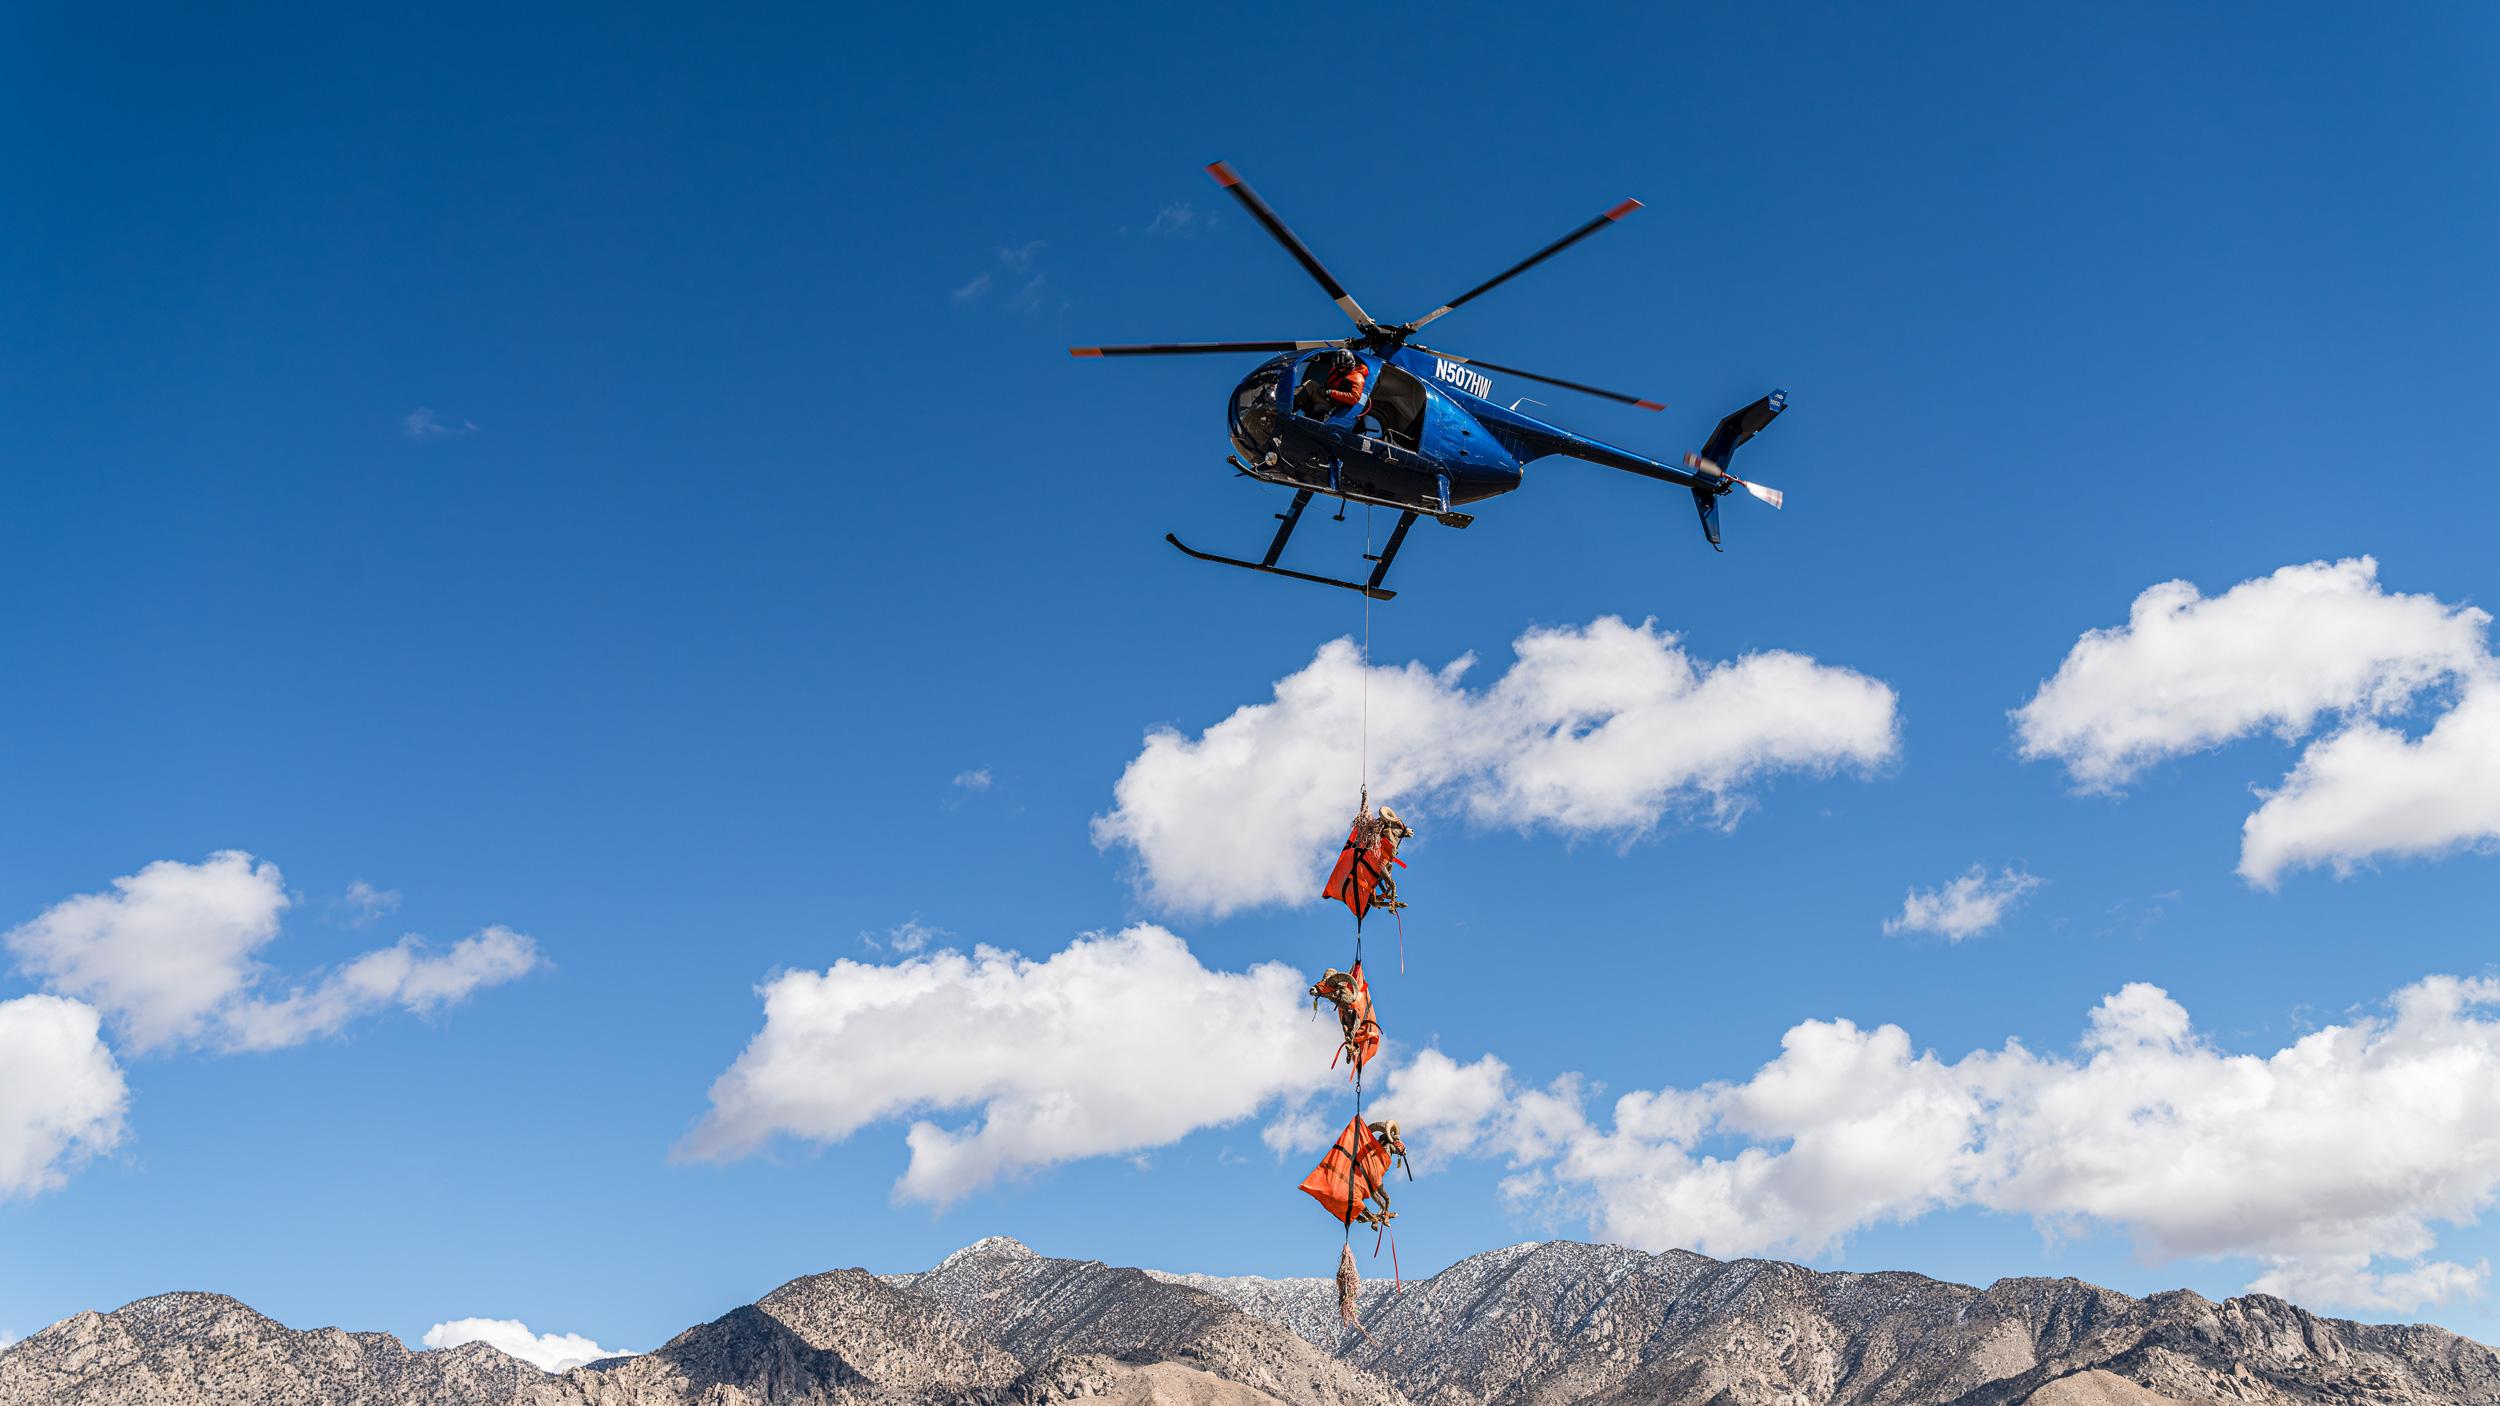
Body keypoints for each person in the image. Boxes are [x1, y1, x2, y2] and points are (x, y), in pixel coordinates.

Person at [1296, 349, 1367, 417]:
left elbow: (1354, 398)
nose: (1340, 370)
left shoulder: (1357, 377)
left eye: (1343, 368)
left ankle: (1287, 405)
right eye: (1338, 367)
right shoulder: (1336, 370)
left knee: (1310, 385)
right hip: (1328, 400)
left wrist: (1330, 392)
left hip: (1334, 406)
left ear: (1350, 365)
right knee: (1310, 390)